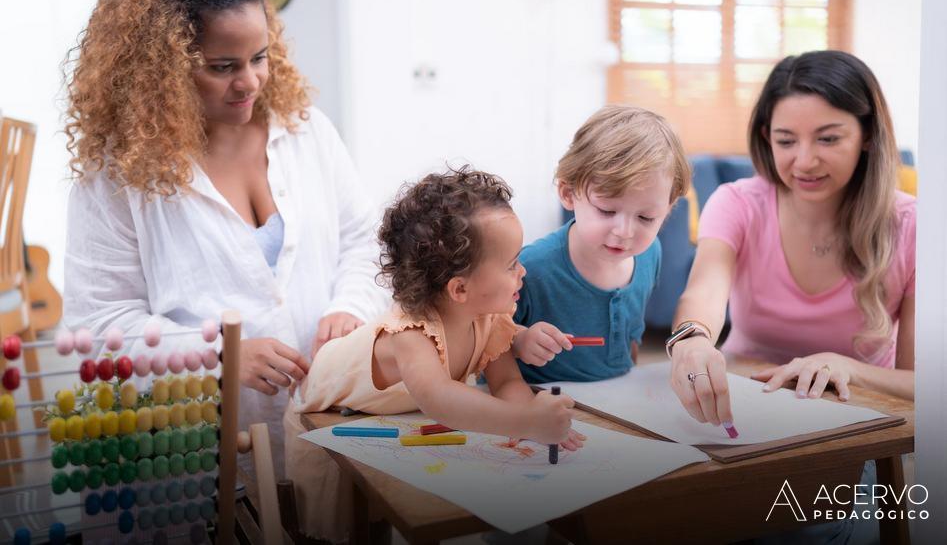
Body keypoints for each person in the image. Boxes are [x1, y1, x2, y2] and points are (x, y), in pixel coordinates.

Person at [62, 0, 389, 476]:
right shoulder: (118, 173)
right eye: (222, 66)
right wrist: (220, 355)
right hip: (197, 454)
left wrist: (351, 304)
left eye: (259, 57)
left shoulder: (304, 129)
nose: (251, 82)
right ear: (159, 70)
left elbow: (362, 239)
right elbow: (99, 325)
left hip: (328, 424)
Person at [284, 167, 585, 541]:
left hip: (384, 418)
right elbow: (440, 399)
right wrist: (524, 423)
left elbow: (506, 380)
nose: (523, 272)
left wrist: (533, 420)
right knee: (338, 532)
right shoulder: (410, 334)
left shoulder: (489, 316)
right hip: (321, 414)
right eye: (511, 264)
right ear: (459, 289)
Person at [669, 50, 915, 427]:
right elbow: (704, 292)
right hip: (742, 404)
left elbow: (923, 384)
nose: (804, 161)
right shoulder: (737, 203)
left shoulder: (914, 226)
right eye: (786, 141)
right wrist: (692, 341)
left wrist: (845, 367)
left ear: (867, 135)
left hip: (854, 420)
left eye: (828, 139)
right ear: (767, 137)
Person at [511, 106, 691, 383]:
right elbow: (483, 338)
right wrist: (519, 341)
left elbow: (630, 340)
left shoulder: (650, 253)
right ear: (568, 193)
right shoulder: (530, 268)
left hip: (613, 403)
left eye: (646, 217)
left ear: (668, 210)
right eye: (607, 211)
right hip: (536, 406)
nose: (624, 232)